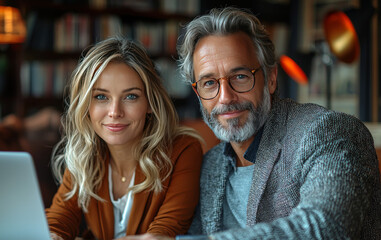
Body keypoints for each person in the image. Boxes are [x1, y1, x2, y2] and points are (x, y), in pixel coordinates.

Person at [121, 7, 381, 240]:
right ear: (198, 92)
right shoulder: (210, 165)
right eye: (209, 83)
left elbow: (326, 227)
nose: (226, 98)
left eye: (241, 76)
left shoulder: (328, 132)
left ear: (270, 78)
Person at [46, 37, 203, 240]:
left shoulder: (183, 151)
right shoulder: (85, 154)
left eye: (131, 96)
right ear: (86, 105)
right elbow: (58, 221)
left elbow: (162, 235)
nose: (114, 112)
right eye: (101, 96)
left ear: (150, 103)